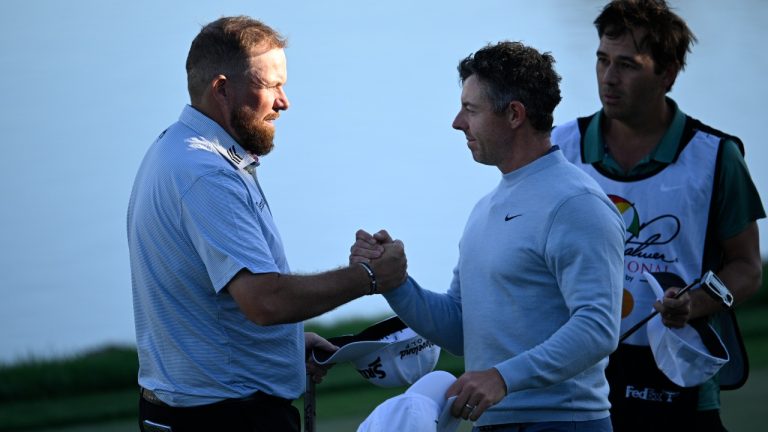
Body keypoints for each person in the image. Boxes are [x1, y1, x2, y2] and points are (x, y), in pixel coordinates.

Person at [126, 16, 407, 432]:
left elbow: (217, 300)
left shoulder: (175, 148)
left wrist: (288, 344)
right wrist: (369, 276)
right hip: (224, 419)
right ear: (222, 89)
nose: (284, 101)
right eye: (271, 86)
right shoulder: (207, 172)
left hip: (196, 411)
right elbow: (265, 300)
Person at [352, 41, 626, 431]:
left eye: (470, 109)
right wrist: (395, 284)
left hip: (565, 422)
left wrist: (502, 378)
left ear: (514, 114)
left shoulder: (576, 204)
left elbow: (598, 327)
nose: (457, 122)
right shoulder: (486, 207)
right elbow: (462, 330)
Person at [550, 1, 765, 431]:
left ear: (666, 74)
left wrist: (697, 303)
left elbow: (746, 266)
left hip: (680, 368)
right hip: (580, 366)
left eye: (627, 65)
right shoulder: (560, 147)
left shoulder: (716, 156)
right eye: (602, 60)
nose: (609, 79)